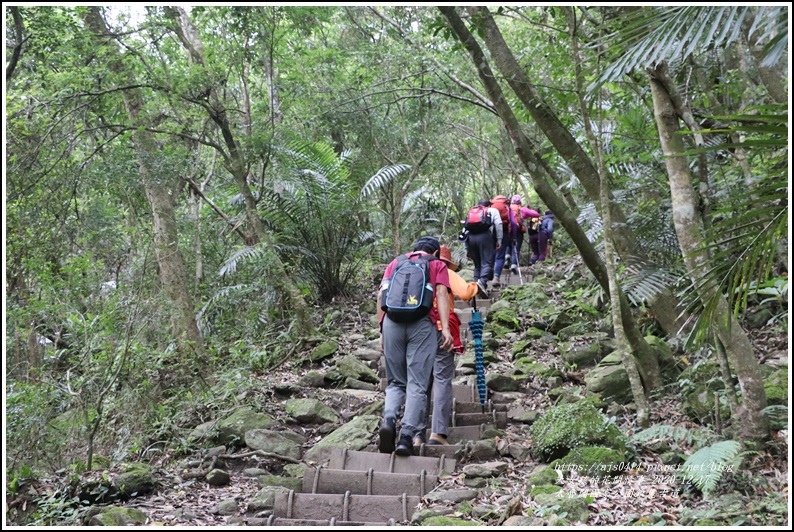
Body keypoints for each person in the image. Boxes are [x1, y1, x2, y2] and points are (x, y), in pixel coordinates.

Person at [376, 236, 454, 456]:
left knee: (395, 382)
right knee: (417, 384)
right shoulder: (437, 264)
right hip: (422, 324)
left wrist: (382, 329)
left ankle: (389, 421)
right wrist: (445, 329)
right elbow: (440, 293)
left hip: (392, 323)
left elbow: (381, 294)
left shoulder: (396, 262)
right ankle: (406, 438)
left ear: (415, 250)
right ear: (436, 252)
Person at [415, 245, 478, 447]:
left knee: (421, 382)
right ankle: (438, 433)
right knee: (441, 378)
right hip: (441, 327)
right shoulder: (446, 272)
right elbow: (466, 293)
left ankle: (416, 434)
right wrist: (476, 285)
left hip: (417, 328)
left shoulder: (415, 269)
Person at [463, 199, 502, 297]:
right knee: (487, 262)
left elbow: (464, 229)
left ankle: (475, 287)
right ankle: (482, 283)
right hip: (485, 237)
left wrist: (466, 248)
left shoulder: (471, 211)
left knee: (477, 265)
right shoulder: (492, 211)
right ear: (489, 205)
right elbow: (498, 224)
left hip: (471, 238)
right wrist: (499, 240)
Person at [505, 195, 533, 273]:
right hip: (519, 230)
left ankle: (507, 258)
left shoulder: (508, 207)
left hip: (508, 229)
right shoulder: (522, 209)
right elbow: (534, 214)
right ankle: (514, 265)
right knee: (516, 248)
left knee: (508, 245)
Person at [490, 195, 513, 288]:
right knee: (500, 256)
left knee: (491, 255)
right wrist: (513, 236)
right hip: (504, 233)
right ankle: (496, 277)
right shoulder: (507, 207)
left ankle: (486, 276)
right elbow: (514, 223)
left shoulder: (490, 207)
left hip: (490, 233)